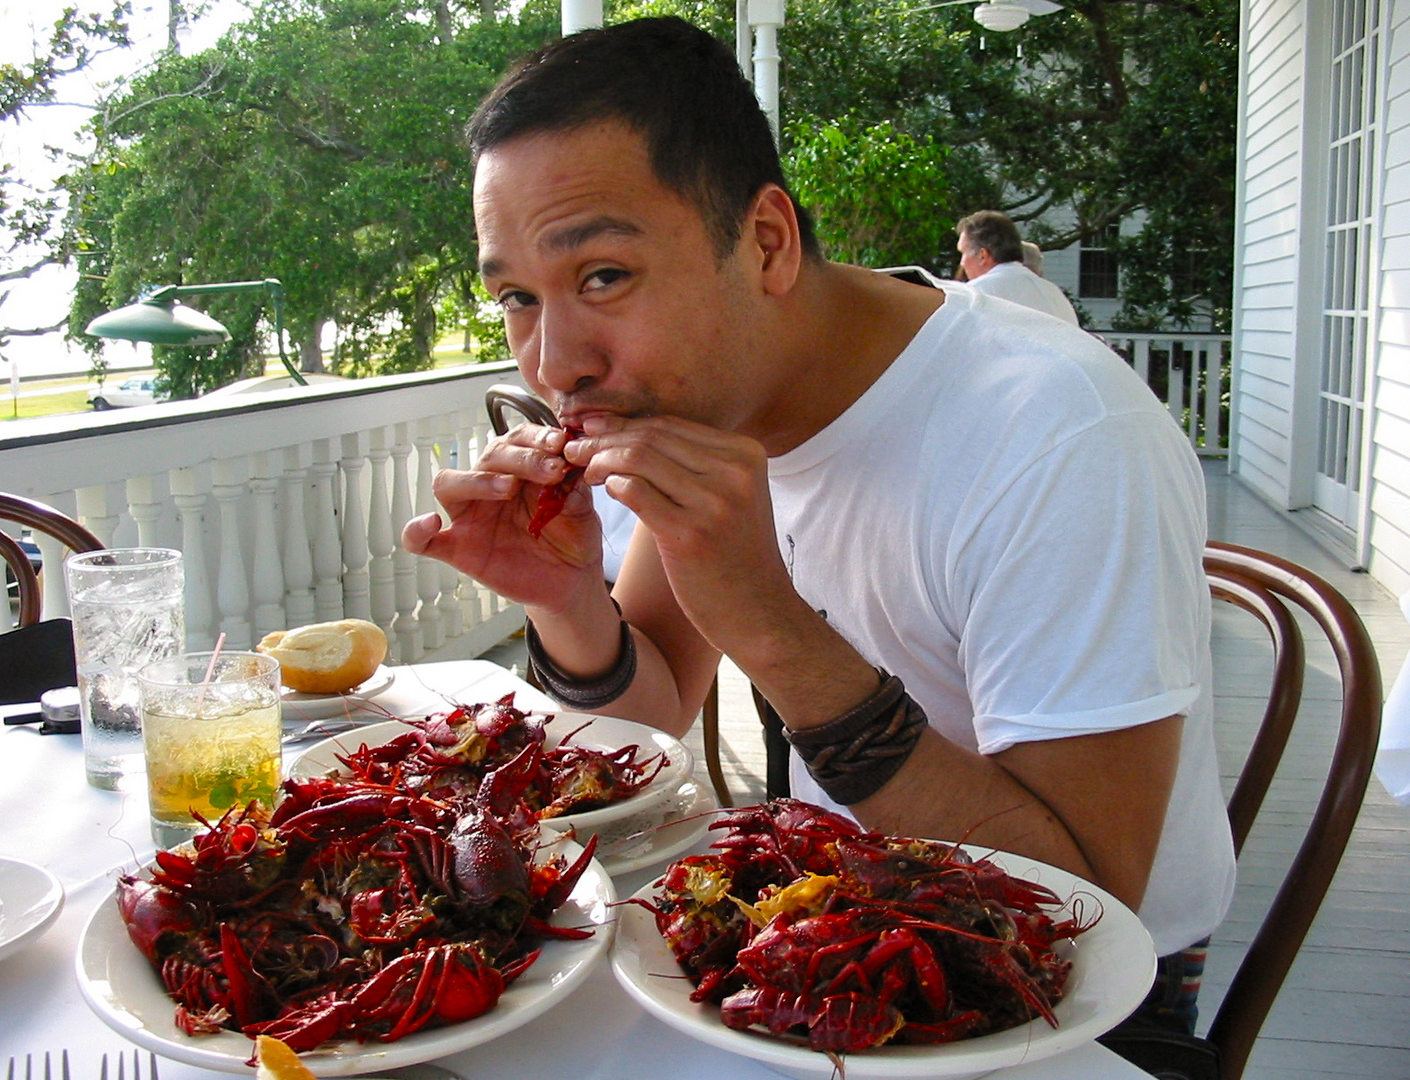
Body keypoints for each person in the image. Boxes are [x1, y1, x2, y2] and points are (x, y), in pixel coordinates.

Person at [403, 17, 1234, 989]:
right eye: (518, 298)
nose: (554, 364)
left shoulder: (1055, 436)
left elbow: (1083, 906)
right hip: (838, 912)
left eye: (604, 276)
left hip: (1074, 989)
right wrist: (566, 600)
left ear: (764, 243)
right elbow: (660, 695)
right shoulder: (723, 402)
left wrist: (774, 631)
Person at [956, 210, 1080, 325]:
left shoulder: (976, 295)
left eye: (963, 253)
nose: (962, 263)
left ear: (982, 255)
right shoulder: (1053, 293)